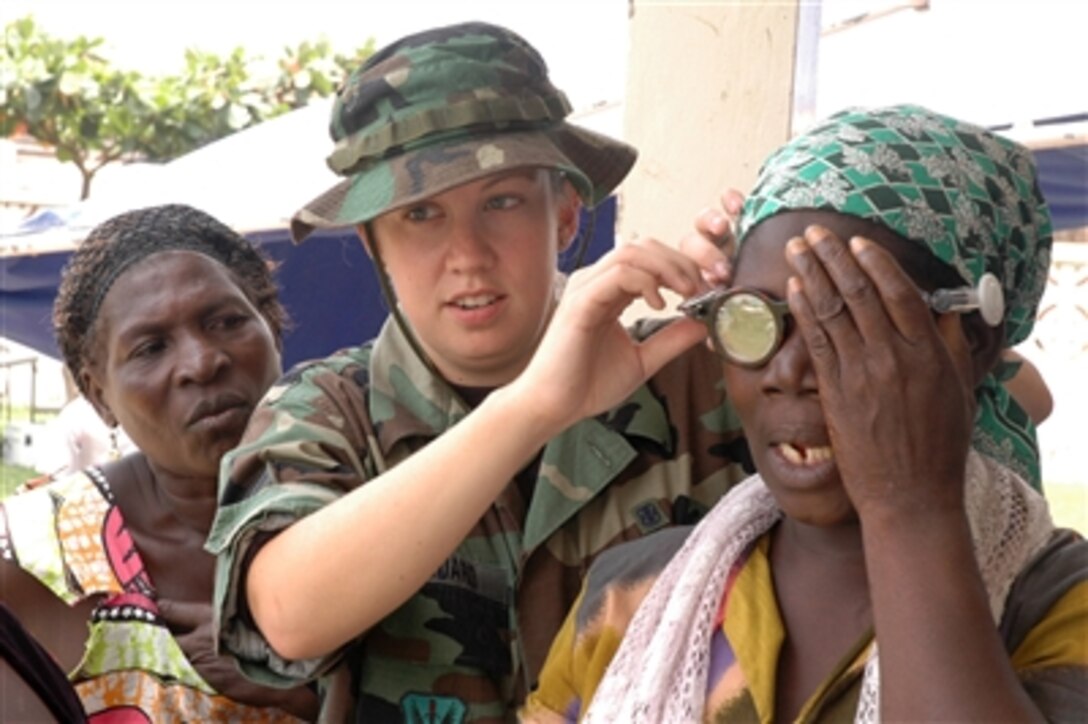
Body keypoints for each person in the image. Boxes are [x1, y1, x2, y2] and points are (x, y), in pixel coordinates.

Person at [206, 21, 750, 721]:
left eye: (501, 201)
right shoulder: (329, 409)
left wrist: (769, 283)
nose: (466, 254)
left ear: (564, 214)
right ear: (374, 242)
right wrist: (533, 409)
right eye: (421, 213)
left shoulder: (692, 377)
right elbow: (288, 616)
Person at [522, 105, 1087, 722]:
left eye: (845, 320)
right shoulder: (629, 599)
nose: (790, 369)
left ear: (972, 343)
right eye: (753, 318)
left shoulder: (1058, 608)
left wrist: (909, 504)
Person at [0, 204, 318, 721]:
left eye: (226, 321)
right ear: (97, 393)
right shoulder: (38, 559)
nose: (202, 362)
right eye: (150, 348)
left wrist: (314, 696)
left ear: (273, 328)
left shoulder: (381, 507)